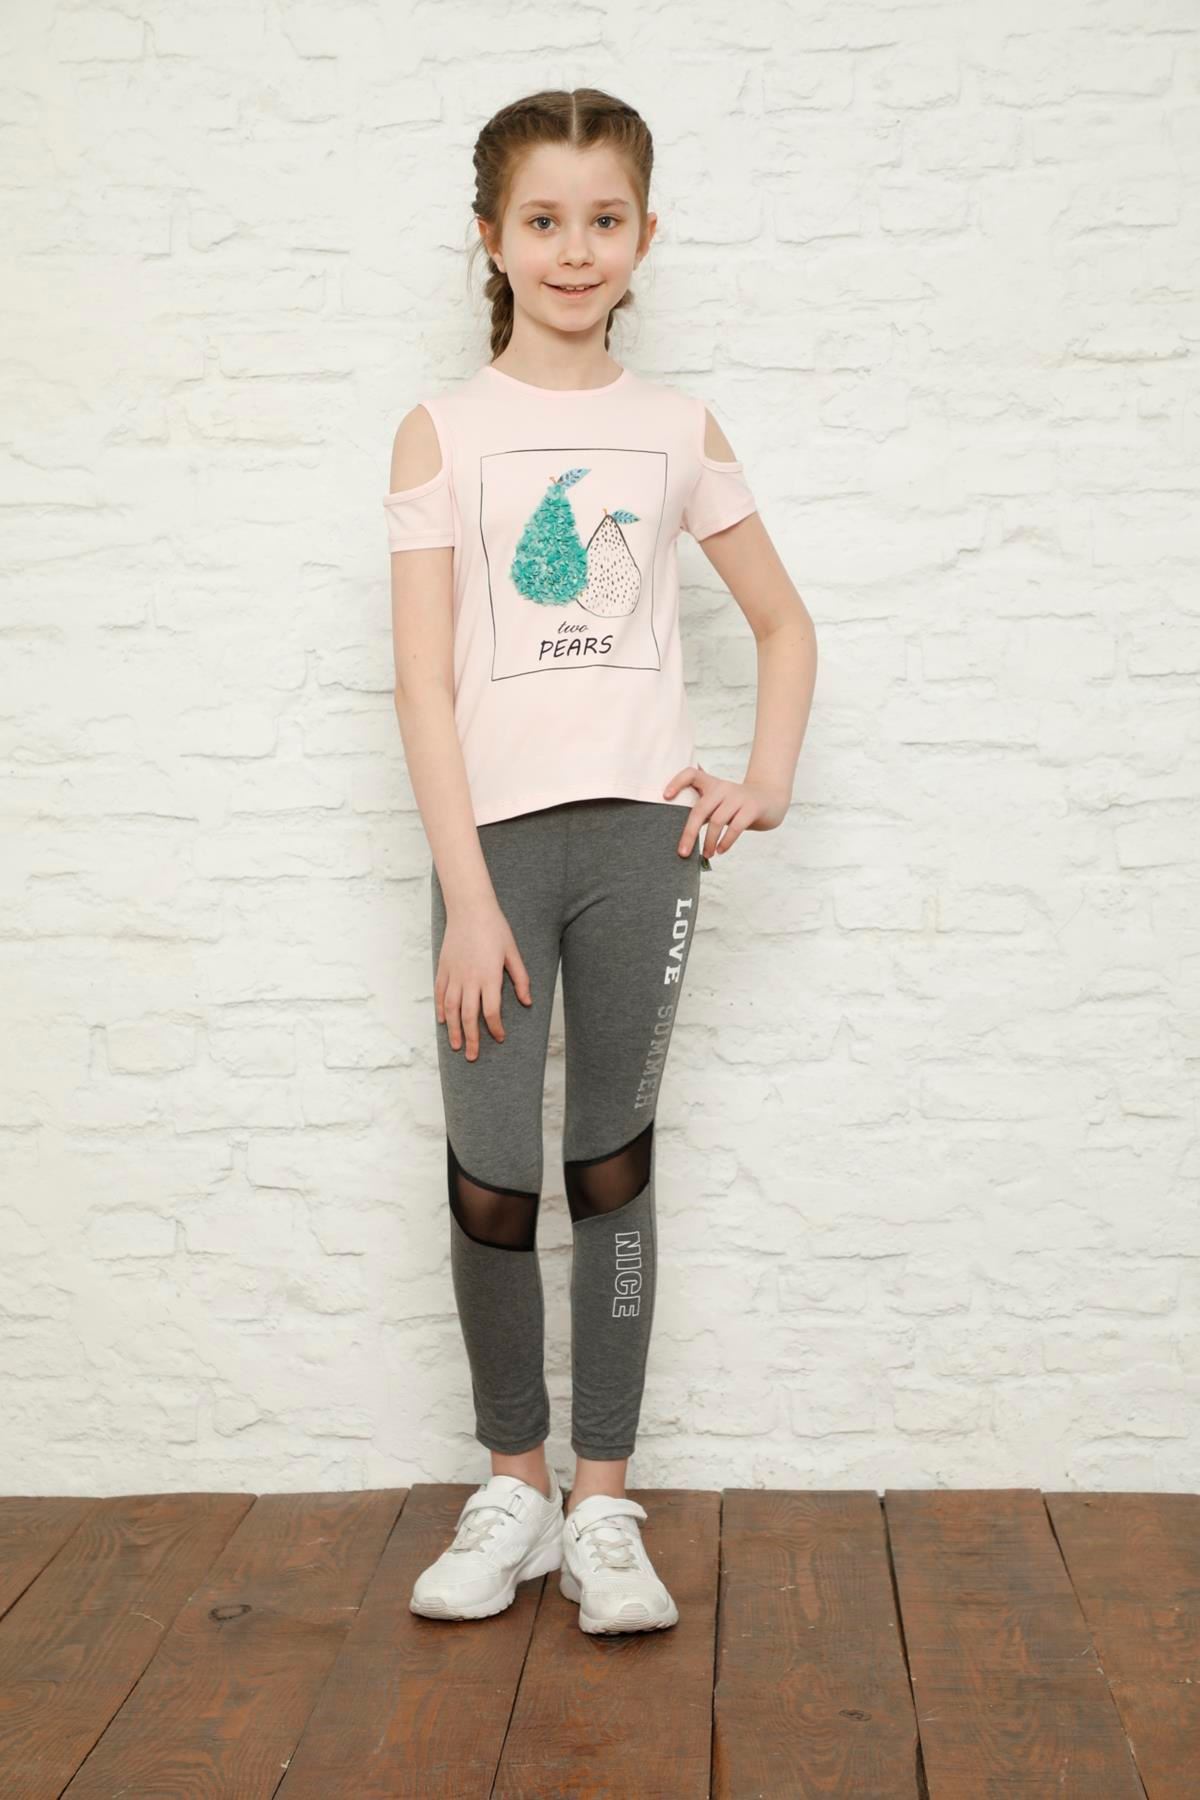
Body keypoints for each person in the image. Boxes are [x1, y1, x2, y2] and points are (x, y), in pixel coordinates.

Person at [384, 88, 816, 1635]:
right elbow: (420, 684)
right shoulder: (445, 431)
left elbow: (784, 623)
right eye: (545, 220)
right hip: (490, 854)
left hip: (644, 844)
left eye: (605, 219)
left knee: (611, 1165)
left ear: (644, 236)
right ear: (492, 239)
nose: (576, 249)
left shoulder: (676, 429)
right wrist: (466, 897)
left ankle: (602, 1507)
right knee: (492, 1175)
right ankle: (515, 1484)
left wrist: (764, 783)